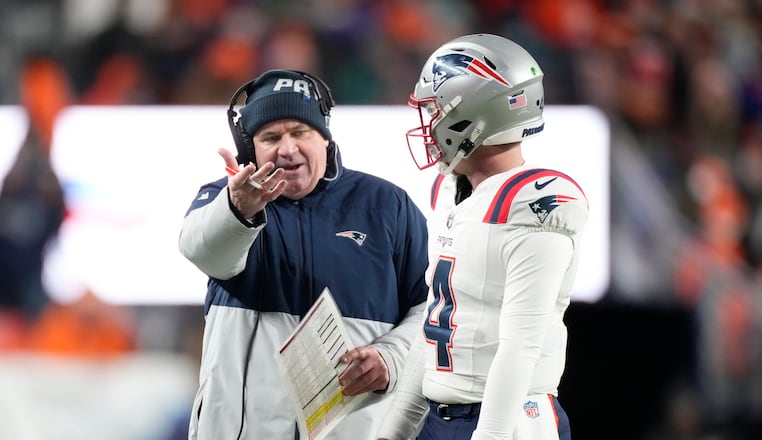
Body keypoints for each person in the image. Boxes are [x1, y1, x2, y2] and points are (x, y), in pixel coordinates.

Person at [178, 69, 429, 439]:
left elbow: (433, 311)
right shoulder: (227, 198)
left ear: (325, 139)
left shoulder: (388, 206)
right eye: (271, 137)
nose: (287, 148)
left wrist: (390, 358)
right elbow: (202, 251)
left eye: (300, 132)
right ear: (251, 149)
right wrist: (237, 210)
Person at [376, 33, 589, 440]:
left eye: (436, 109)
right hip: (441, 417)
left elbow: (520, 346)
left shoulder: (539, 201)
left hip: (511, 421)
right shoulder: (451, 191)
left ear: (474, 115)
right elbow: (438, 322)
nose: (430, 122)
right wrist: (394, 430)